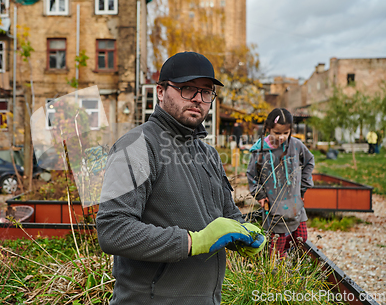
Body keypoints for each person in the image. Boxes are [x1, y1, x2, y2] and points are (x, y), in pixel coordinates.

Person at [96, 51, 266, 304]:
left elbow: (226, 215)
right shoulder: (136, 146)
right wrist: (192, 242)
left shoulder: (208, 154)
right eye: (187, 89)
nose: (198, 99)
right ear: (161, 92)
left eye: (206, 92)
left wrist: (243, 232)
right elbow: (113, 230)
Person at [246, 108, 314, 256]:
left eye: (286, 133)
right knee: (276, 250)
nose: (282, 137)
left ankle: (286, 261)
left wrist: (303, 187)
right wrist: (260, 195)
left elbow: (309, 161)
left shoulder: (296, 146)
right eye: (277, 133)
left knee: (301, 239)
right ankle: (276, 271)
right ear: (268, 129)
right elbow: (252, 175)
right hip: (274, 207)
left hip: (295, 205)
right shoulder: (259, 151)